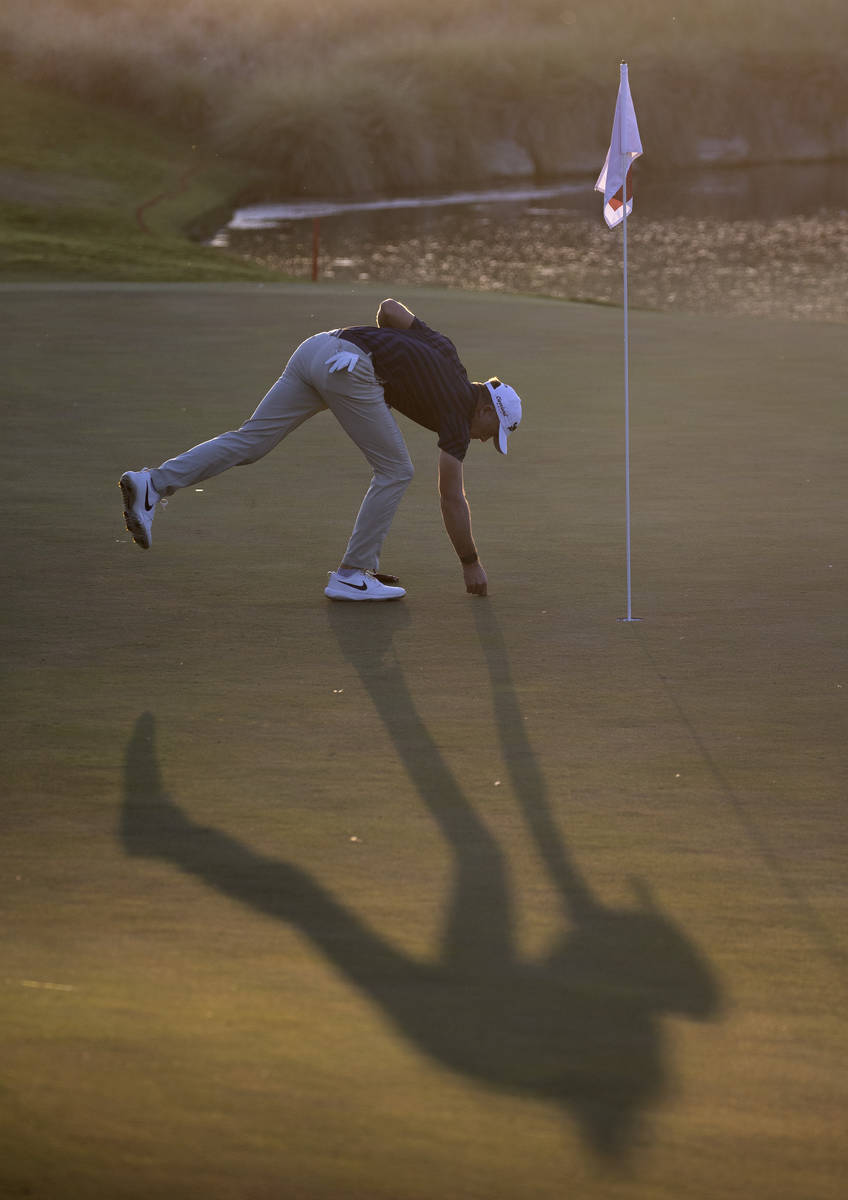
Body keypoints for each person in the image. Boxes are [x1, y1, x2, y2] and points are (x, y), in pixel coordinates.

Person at [119, 297, 522, 600]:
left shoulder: (447, 353)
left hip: (318, 347)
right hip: (350, 367)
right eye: (493, 431)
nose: (486, 439)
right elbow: (451, 497)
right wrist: (471, 563)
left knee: (251, 441)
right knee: (396, 470)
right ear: (485, 407)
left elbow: (390, 309)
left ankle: (152, 484)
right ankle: (351, 574)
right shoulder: (458, 411)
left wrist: (389, 351)